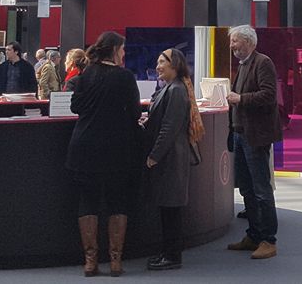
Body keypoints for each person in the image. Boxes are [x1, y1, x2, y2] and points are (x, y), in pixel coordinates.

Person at [67, 31, 141, 276]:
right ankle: (116, 259)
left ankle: (90, 260)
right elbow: (133, 113)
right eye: (122, 49)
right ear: (114, 50)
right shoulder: (125, 77)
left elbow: (75, 106)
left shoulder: (86, 75)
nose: (124, 54)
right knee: (117, 200)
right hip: (117, 148)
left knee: (87, 201)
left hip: (85, 146)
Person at [143, 48, 204, 271]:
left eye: (162, 62)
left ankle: (172, 256)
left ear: (174, 65)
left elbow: (169, 128)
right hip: (168, 158)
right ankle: (168, 252)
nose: (158, 66)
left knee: (171, 209)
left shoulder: (176, 90)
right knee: (167, 208)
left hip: (171, 158)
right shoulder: (170, 88)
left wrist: (154, 156)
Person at [225, 24, 281, 260]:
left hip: (255, 135)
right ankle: (254, 235)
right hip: (241, 134)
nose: (232, 46)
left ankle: (268, 239)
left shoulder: (262, 62)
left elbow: (269, 96)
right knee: (247, 188)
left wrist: (240, 98)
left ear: (248, 41)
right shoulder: (245, 65)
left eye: (235, 41)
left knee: (261, 189)